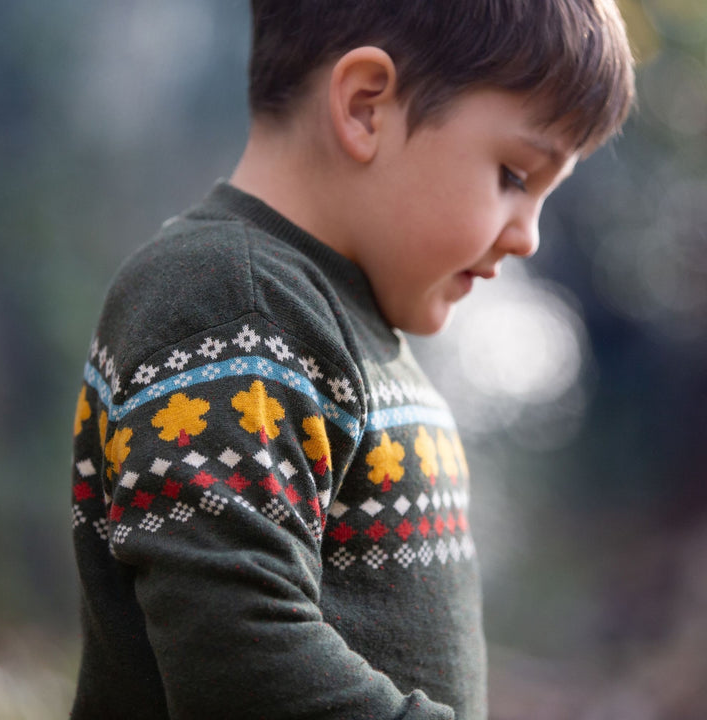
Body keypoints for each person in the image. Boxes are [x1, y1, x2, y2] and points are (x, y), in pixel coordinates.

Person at [70, 1, 635, 717]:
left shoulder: (335, 325)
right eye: (515, 177)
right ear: (367, 107)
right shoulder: (229, 301)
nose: (528, 237)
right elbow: (240, 658)